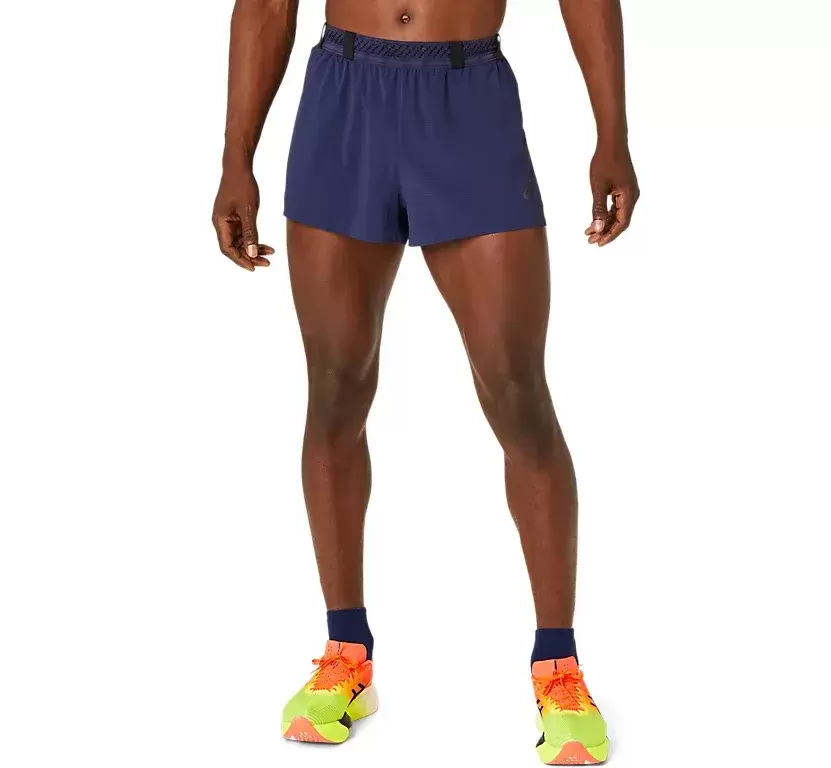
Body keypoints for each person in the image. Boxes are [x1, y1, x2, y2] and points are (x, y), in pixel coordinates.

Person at [212, 1, 638, 763]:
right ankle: (346, 653)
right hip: (345, 96)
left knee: (516, 394)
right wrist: (235, 157)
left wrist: (613, 132)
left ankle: (559, 667)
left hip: (466, 98)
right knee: (336, 391)